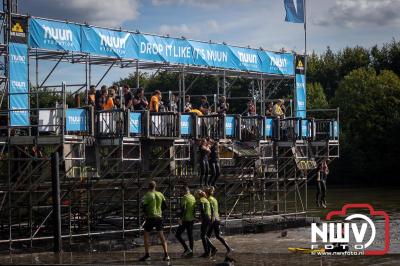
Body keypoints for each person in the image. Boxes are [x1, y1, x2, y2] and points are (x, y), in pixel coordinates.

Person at [140, 181, 170, 262]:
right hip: (159, 217)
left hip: (150, 217)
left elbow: (143, 205)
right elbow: (165, 205)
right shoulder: (160, 194)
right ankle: (166, 255)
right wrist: (160, 211)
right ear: (155, 186)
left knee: (146, 236)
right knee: (161, 235)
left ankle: (147, 255)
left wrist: (146, 213)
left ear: (148, 187)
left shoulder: (147, 195)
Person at [206, 186, 233, 255]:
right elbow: (216, 210)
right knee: (217, 236)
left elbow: (212, 209)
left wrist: (211, 218)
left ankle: (211, 250)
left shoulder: (208, 199)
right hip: (217, 218)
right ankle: (228, 248)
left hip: (213, 219)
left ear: (207, 193)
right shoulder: (214, 199)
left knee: (206, 236)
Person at [175, 186, 196, 257]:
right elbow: (194, 208)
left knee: (177, 234)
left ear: (184, 191)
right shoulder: (193, 197)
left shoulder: (185, 197)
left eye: (181, 191)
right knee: (190, 236)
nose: (181, 193)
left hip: (185, 219)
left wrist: (180, 218)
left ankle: (187, 249)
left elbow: (183, 208)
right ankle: (191, 252)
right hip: (192, 219)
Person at [196, 189, 216, 258]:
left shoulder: (201, 200)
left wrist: (201, 218)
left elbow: (202, 209)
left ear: (199, 195)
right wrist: (212, 216)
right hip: (209, 217)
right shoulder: (206, 199)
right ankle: (212, 249)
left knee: (202, 236)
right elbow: (212, 209)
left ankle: (207, 252)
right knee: (204, 235)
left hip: (205, 217)